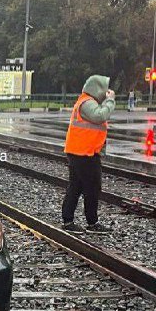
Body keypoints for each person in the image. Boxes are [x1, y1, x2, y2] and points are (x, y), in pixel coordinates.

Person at [61, 75, 114, 235]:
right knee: (92, 188)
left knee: (76, 186)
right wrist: (110, 101)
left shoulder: (84, 102)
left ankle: (68, 220)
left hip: (81, 151)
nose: (107, 92)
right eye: (105, 88)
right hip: (84, 154)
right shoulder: (87, 103)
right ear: (97, 88)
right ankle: (92, 223)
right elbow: (100, 116)